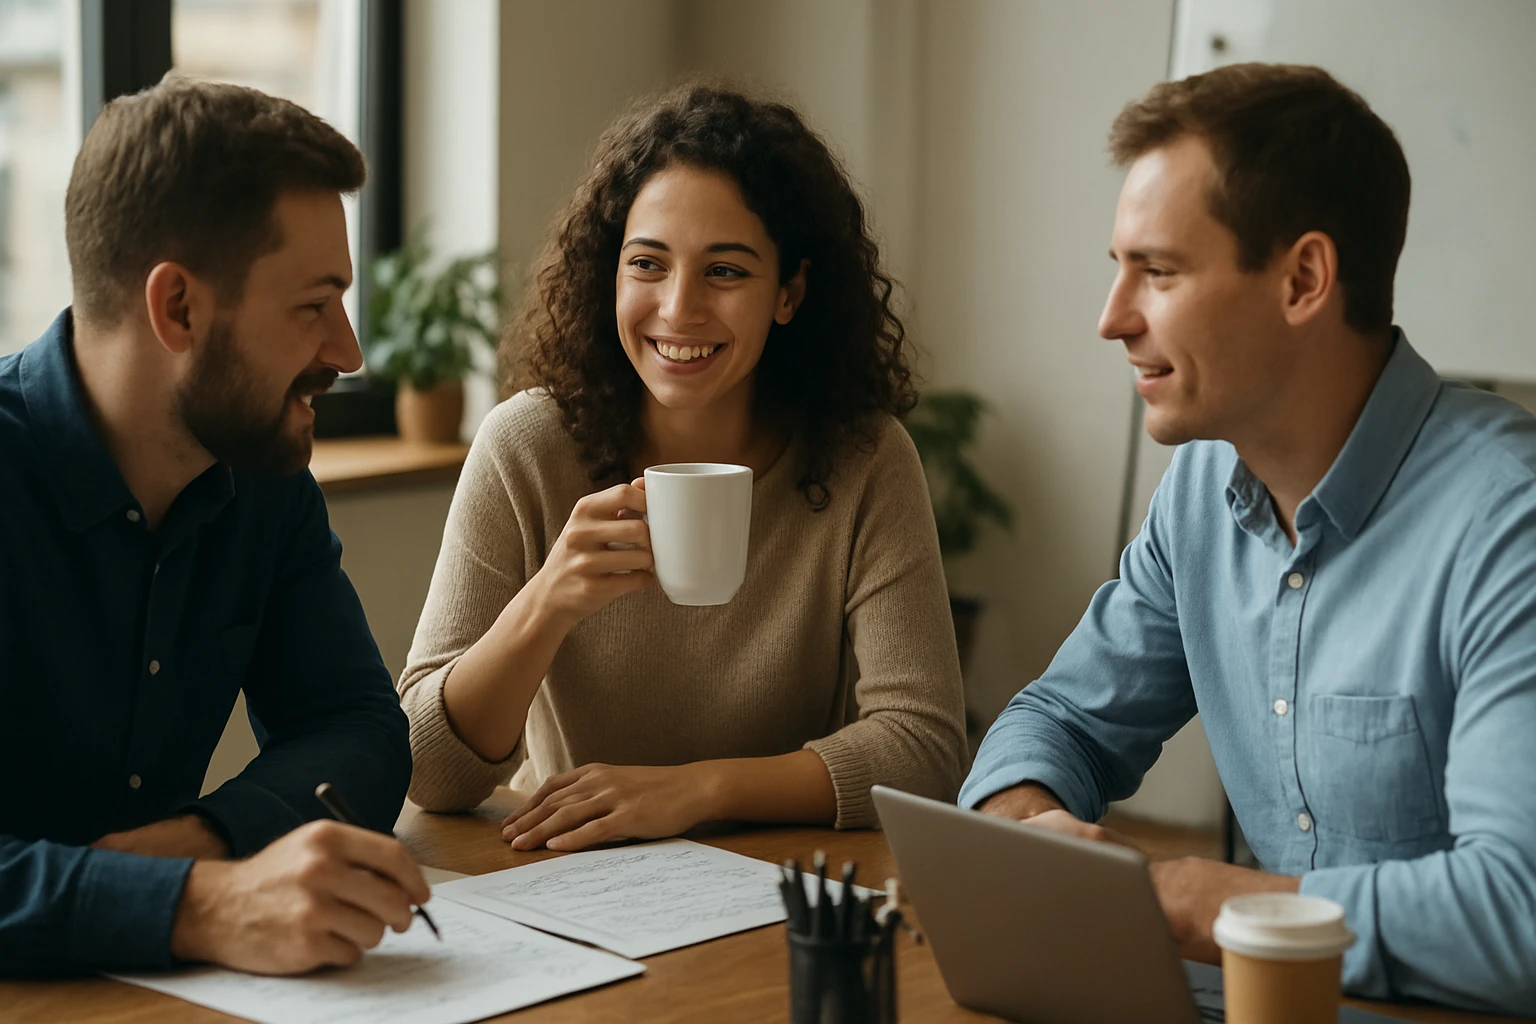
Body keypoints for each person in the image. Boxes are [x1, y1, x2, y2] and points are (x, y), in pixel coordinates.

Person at [961, 63, 1536, 1015]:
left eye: (1160, 270)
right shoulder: (1198, 494)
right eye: (1119, 267)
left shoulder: (1507, 523)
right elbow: (1058, 722)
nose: (1113, 319)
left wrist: (1202, 901)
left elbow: (1517, 915)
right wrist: (1030, 828)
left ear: (1304, 278)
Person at [399, 84, 967, 850]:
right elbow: (426, 773)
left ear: (788, 293)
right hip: (571, 874)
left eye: (726, 272)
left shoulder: (863, 459)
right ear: (612, 276)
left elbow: (925, 749)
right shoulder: (526, 448)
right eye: (647, 264)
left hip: (779, 877)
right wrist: (549, 602)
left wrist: (695, 790)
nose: (678, 308)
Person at [0, 76, 426, 978]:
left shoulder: (258, 471)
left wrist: (202, 839)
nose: (348, 354)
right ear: (178, 309)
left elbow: (360, 729)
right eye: (313, 306)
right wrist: (195, 904)